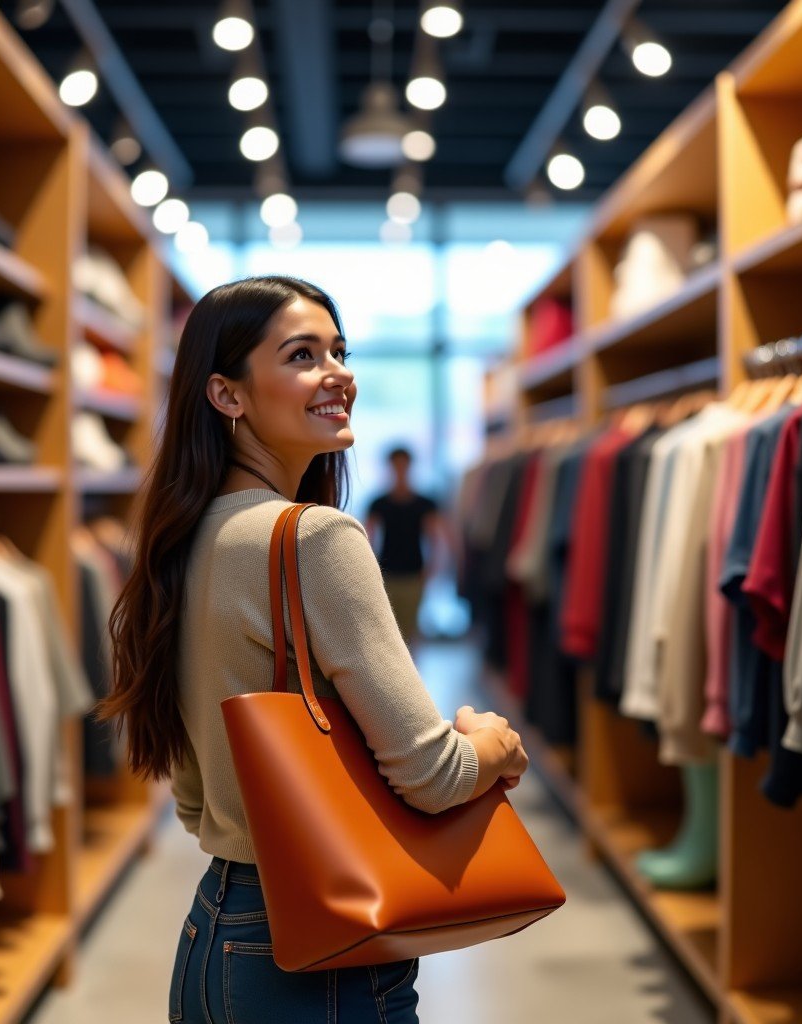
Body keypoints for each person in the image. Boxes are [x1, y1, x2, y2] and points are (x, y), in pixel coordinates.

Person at [98, 276, 529, 1024]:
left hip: (217, 931)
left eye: (338, 350)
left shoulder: (187, 539)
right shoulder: (313, 537)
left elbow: (196, 797)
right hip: (318, 955)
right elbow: (432, 774)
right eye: (302, 355)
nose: (339, 373)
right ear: (227, 395)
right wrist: (491, 744)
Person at [366, 447, 444, 645]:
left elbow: (434, 538)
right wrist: (370, 571)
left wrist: (432, 568)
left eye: (403, 465)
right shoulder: (378, 503)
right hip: (387, 574)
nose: (400, 470)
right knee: (387, 630)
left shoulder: (424, 503)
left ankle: (410, 674)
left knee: (410, 630)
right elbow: (368, 538)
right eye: (396, 465)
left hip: (413, 574)